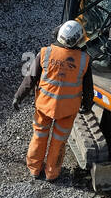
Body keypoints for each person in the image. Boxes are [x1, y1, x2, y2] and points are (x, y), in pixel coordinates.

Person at [14, 20, 93, 182]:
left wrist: (18, 97)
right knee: (58, 142)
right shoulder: (84, 60)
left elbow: (30, 79)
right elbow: (88, 88)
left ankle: (34, 169)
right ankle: (52, 174)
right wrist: (87, 105)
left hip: (44, 106)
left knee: (39, 137)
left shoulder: (45, 53)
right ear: (78, 40)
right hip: (67, 110)